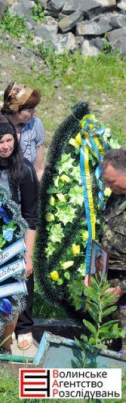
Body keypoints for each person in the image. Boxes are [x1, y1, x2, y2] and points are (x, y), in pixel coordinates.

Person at [0, 115, 38, 353]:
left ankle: (23, 328)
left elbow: (31, 217)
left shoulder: (25, 170)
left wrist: (28, 255)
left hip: (17, 239)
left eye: (9, 140)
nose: (6, 146)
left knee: (22, 282)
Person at [0, 82, 46, 180]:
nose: (34, 114)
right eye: (30, 110)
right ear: (15, 110)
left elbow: (39, 168)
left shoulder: (35, 125)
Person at [99, 148, 126, 353]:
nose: (108, 186)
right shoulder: (116, 196)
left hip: (122, 288)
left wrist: (120, 289)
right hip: (109, 284)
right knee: (110, 349)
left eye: (111, 181)